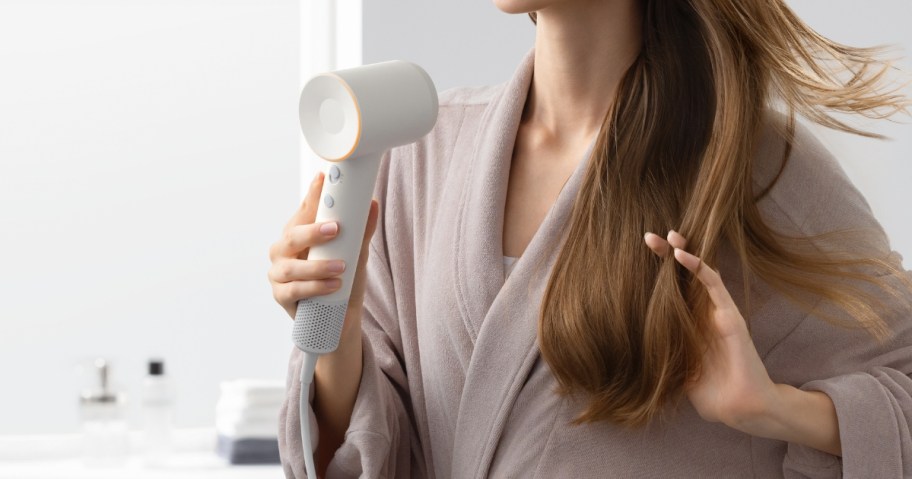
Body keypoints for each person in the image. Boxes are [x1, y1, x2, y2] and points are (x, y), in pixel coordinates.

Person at [268, 1, 912, 477]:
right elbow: (360, 453)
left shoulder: (749, 165)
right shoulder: (421, 156)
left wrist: (775, 411)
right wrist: (335, 329)